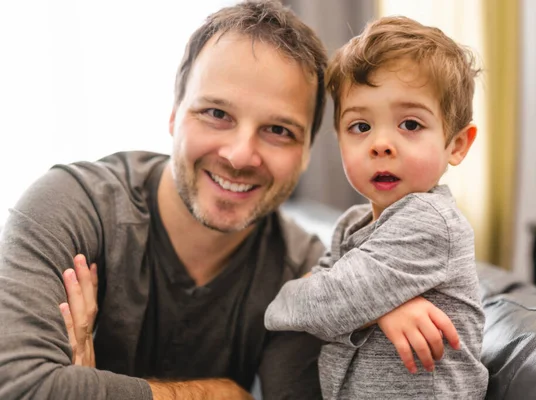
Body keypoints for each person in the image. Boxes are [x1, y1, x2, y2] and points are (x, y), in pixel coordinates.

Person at [0, 2, 459, 400]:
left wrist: (86, 386)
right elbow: (17, 387)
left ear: (305, 156)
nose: (240, 155)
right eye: (216, 113)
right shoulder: (71, 208)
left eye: (278, 130)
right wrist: (221, 394)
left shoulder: (300, 268)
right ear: (174, 114)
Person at [265, 15, 489, 400]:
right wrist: (380, 306)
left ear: (457, 145)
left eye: (411, 124)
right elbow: (286, 308)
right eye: (360, 127)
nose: (380, 144)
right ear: (339, 140)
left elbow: (318, 305)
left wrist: (355, 302)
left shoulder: (430, 221)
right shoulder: (351, 225)